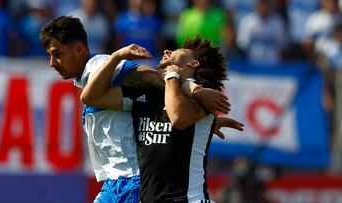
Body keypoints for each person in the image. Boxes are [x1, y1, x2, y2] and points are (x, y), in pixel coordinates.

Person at [40, 16, 237, 203]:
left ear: (79, 49)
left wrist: (193, 89)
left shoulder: (99, 65)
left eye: (57, 54)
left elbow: (150, 77)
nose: (52, 63)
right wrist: (205, 123)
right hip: (118, 182)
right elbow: (163, 112)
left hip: (132, 179)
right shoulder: (145, 95)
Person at [81, 36, 244, 202]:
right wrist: (116, 57)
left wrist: (172, 75)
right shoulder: (147, 92)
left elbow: (178, 118)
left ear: (193, 64)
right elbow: (91, 97)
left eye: (175, 52)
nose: (167, 51)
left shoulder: (204, 94)